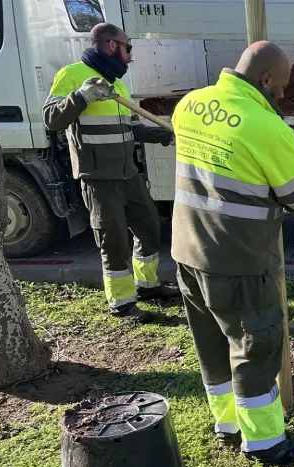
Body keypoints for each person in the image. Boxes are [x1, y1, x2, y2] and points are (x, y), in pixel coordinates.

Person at [171, 42, 294, 465]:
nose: (284, 96)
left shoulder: (190, 105)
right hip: (236, 260)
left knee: (213, 346)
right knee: (255, 346)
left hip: (187, 251)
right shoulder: (266, 127)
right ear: (266, 80)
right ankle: (266, 443)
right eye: (283, 87)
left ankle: (228, 425)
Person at [43, 23, 177, 322]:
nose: (130, 55)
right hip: (98, 177)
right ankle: (122, 303)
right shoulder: (72, 75)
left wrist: (167, 135)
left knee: (149, 228)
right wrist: (81, 96)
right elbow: (51, 119)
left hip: (128, 173)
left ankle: (148, 286)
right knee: (113, 241)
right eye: (128, 47)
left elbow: (132, 128)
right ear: (110, 44)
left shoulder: (116, 83)